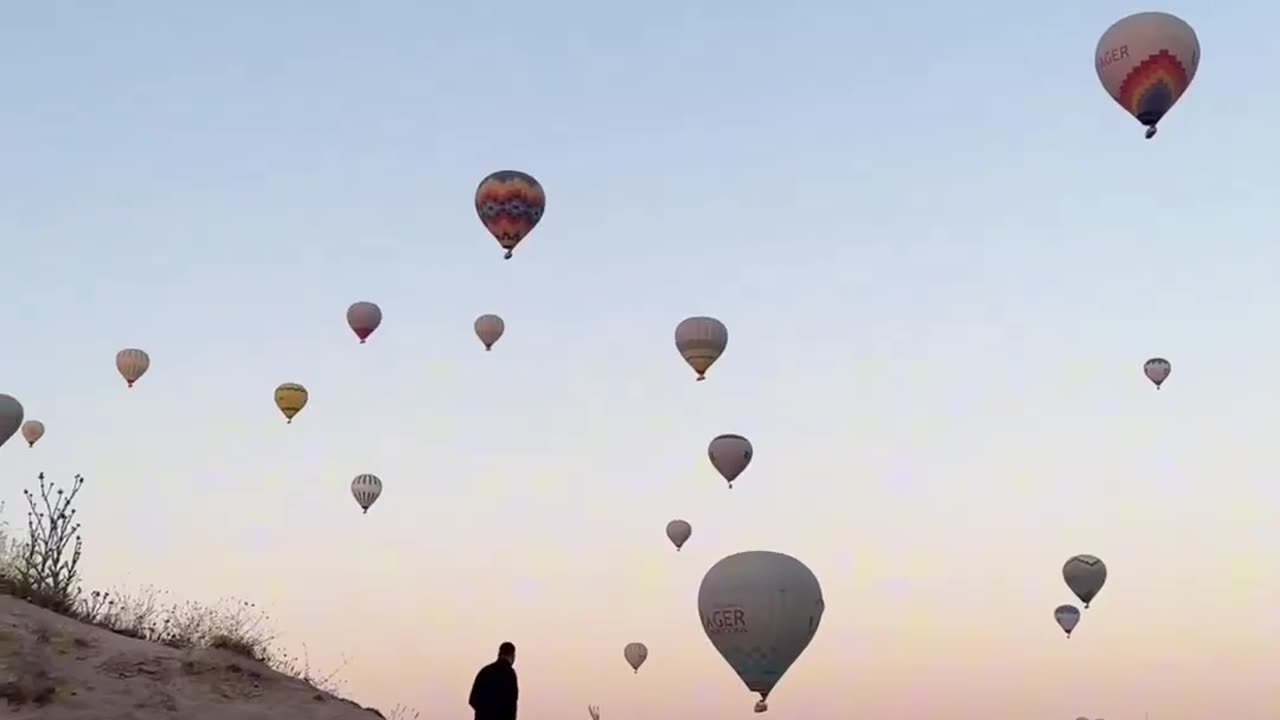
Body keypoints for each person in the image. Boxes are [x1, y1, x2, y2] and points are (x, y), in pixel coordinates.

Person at [469, 641, 518, 720]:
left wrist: (484, 712)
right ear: (512, 655)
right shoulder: (509, 674)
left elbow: (472, 700)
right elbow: (511, 705)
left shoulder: (485, 671)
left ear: (499, 654)